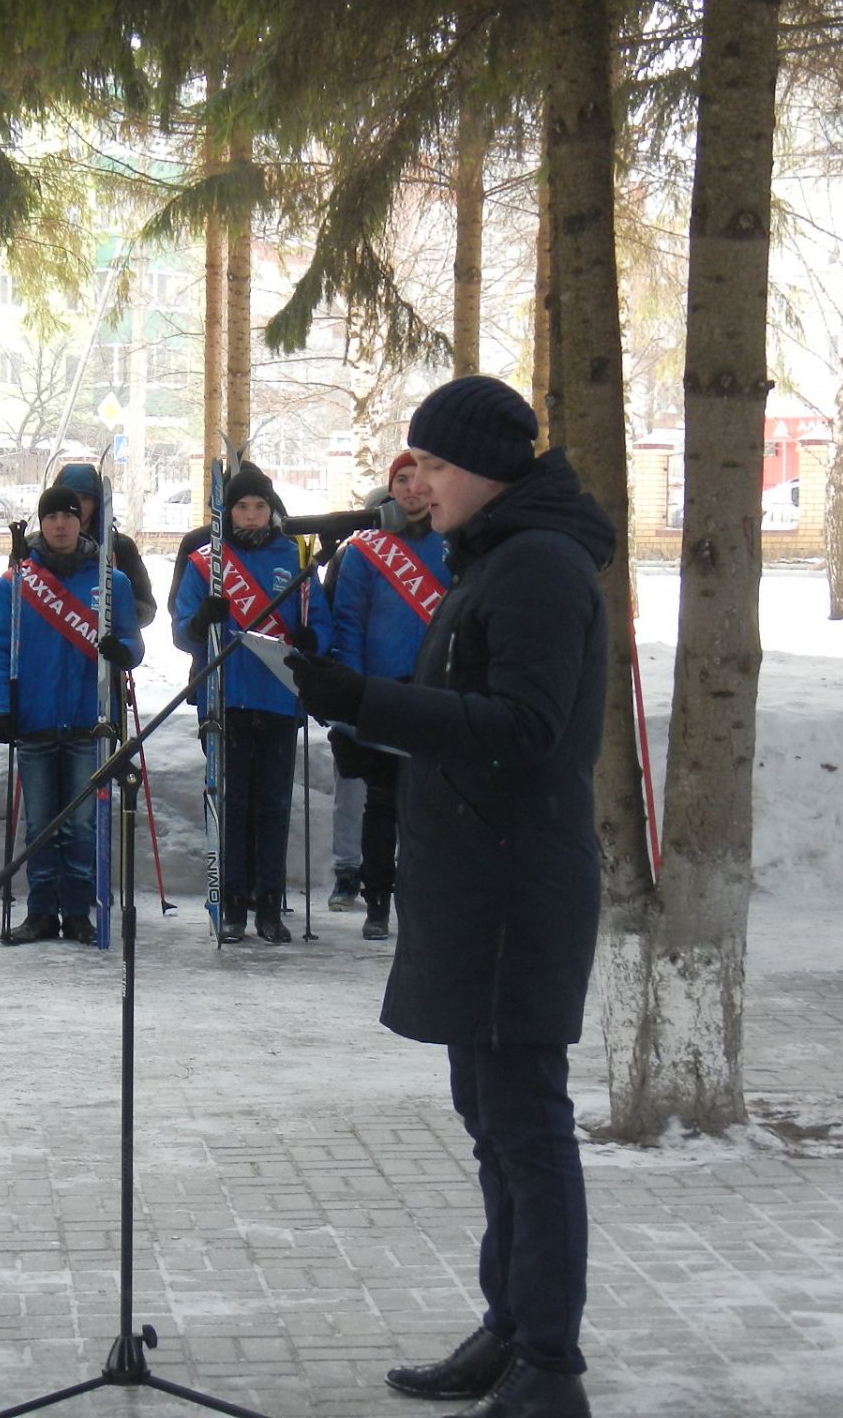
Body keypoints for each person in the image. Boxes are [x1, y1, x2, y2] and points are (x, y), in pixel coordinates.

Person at [289, 375, 610, 1418]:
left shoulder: (541, 569)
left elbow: (523, 728)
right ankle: (509, 1329)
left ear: (477, 466)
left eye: (427, 463)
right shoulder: (495, 560)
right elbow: (466, 708)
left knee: (525, 1124)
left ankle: (550, 1365)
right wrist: (368, 714)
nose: (413, 482)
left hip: (517, 885)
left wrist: (369, 701)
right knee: (492, 1119)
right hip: (480, 878)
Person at [171, 463, 332, 943]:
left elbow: (320, 625)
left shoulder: (295, 558)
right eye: (242, 506)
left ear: (271, 510)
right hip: (226, 697)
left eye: (260, 506)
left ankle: (269, 903)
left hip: (280, 699)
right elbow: (182, 633)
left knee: (273, 806)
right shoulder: (206, 563)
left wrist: (310, 639)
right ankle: (232, 902)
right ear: (227, 511)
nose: (251, 514)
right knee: (231, 803)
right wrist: (203, 620)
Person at [0, 484, 144, 945]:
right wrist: (0, 708)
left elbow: (134, 644)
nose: (59, 525)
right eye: (51, 517)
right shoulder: (15, 582)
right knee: (40, 824)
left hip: (87, 721)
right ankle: (40, 912)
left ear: (80, 522)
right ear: (41, 523)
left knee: (80, 824)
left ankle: (77, 910)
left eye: (68, 516)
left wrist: (121, 650)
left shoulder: (112, 582)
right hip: (33, 720)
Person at [328, 452, 449, 939]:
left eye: (418, 479)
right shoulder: (364, 551)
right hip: (380, 689)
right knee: (380, 803)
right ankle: (377, 900)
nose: (411, 489)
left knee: (431, 804)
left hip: (437, 689)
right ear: (391, 487)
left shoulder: (455, 544)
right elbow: (348, 622)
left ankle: (426, 902)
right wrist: (353, 693)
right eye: (401, 480)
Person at [325, 482, 391, 915]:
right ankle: (348, 871)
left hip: (403, 686)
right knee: (351, 791)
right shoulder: (352, 555)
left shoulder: (429, 552)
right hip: (356, 686)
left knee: (394, 793)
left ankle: (390, 874)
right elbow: (334, 615)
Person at [56, 461, 159, 627]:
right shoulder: (35, 547)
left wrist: (120, 611)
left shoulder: (120, 547)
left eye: (85, 498)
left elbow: (147, 607)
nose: (77, 505)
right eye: (71, 497)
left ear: (96, 502)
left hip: (106, 647)